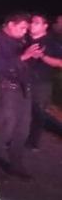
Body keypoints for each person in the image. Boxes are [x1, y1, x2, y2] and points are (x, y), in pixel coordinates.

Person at [0, 12, 43, 180]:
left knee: (22, 130)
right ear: (10, 24)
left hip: (23, 89)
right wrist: (25, 56)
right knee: (4, 128)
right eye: (22, 27)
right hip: (6, 89)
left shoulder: (21, 40)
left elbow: (24, 65)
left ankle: (16, 164)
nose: (26, 31)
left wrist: (33, 57)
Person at [25, 13, 62, 150]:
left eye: (36, 22)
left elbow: (60, 63)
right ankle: (17, 139)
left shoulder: (51, 43)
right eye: (31, 22)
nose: (32, 25)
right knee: (21, 112)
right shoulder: (24, 39)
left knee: (38, 113)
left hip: (41, 83)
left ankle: (33, 142)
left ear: (45, 26)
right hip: (23, 81)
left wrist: (43, 57)